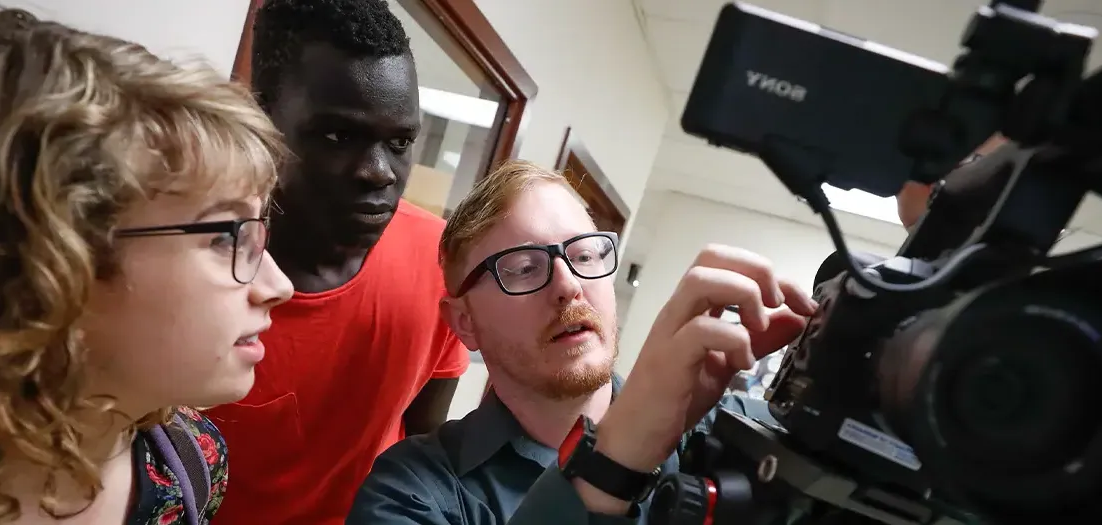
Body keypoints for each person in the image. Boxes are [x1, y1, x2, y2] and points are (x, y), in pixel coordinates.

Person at [0, 8, 293, 524]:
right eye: (224, 235)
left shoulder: (188, 465)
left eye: (259, 229)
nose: (278, 285)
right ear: (47, 258)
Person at [347, 159, 820, 524]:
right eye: (523, 267)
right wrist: (614, 464)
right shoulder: (413, 491)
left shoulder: (735, 441)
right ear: (464, 322)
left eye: (585, 254)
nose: (568, 285)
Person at [203, 0, 470, 523]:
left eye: (399, 141)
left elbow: (423, 454)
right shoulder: (193, 265)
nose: (378, 172)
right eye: (338, 136)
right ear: (262, 120)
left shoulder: (440, 260)